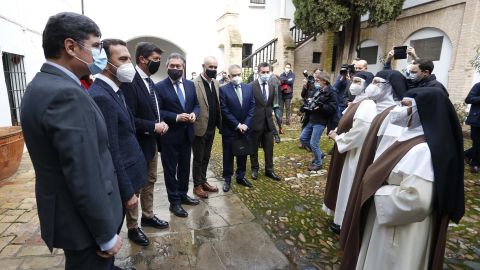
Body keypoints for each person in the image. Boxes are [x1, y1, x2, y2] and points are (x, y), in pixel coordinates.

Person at [20, 12, 123, 269]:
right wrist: (106, 235)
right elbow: (84, 171)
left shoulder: (42, 83)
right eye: (97, 46)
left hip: (71, 218)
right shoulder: (65, 93)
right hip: (85, 227)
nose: (100, 53)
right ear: (70, 46)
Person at [340, 88, 464, 270]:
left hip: (399, 230)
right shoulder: (410, 138)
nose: (398, 110)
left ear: (423, 112)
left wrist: (376, 190)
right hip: (389, 222)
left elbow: (417, 200)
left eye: (405, 105)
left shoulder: (422, 151)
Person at [88, 38, 147, 230]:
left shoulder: (117, 90)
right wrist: (127, 191)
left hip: (132, 173)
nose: (129, 64)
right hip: (121, 182)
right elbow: (111, 148)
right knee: (112, 229)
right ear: (105, 63)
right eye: (123, 59)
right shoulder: (101, 96)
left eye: (129, 59)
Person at [122, 42, 169, 246]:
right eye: (156, 60)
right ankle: (133, 227)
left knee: (150, 182)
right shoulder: (130, 82)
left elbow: (155, 109)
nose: (158, 63)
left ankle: (147, 216)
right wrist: (153, 126)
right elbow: (128, 118)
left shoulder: (150, 82)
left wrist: (161, 123)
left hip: (152, 144)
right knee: (136, 187)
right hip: (137, 145)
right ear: (142, 59)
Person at [323, 72, 376, 234]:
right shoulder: (357, 102)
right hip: (345, 150)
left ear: (367, 85)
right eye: (352, 81)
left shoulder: (367, 105)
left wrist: (339, 138)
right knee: (341, 183)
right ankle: (338, 216)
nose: (353, 84)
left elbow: (359, 131)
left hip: (353, 153)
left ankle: (344, 220)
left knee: (347, 185)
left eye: (358, 81)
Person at [156, 53, 200, 217]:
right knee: (170, 170)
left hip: (187, 134)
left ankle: (183, 194)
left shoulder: (190, 85)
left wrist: (195, 114)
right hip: (170, 136)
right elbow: (158, 111)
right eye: (172, 66)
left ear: (183, 67)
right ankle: (174, 202)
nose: (175, 68)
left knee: (184, 168)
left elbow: (196, 105)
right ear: (167, 67)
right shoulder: (159, 87)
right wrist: (175, 117)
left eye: (178, 66)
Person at [219, 64, 256, 192]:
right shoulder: (223, 90)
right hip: (230, 129)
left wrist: (246, 124)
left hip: (245, 128)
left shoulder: (248, 88)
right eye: (234, 75)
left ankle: (241, 176)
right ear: (229, 76)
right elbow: (224, 110)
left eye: (238, 74)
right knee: (228, 155)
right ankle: (227, 179)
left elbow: (252, 107)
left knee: (242, 153)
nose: (236, 77)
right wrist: (237, 125)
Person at [191, 56, 221, 199]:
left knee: (206, 156)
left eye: (215, 67)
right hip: (199, 127)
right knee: (198, 158)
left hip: (212, 127)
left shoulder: (216, 83)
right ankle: (197, 185)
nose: (213, 70)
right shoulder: (194, 84)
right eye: (210, 67)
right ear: (203, 66)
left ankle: (203, 181)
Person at [249, 62, 281, 181]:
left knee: (269, 148)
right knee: (253, 148)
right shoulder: (251, 86)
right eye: (263, 72)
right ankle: (254, 168)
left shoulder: (272, 86)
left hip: (268, 123)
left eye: (268, 72)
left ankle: (269, 170)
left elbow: (270, 106)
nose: (266, 74)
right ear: (259, 72)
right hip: (255, 123)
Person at [299, 72, 337, 171]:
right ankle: (319, 154)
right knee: (303, 138)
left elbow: (332, 108)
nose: (316, 82)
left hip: (321, 121)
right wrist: (305, 106)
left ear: (324, 81)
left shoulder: (332, 92)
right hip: (312, 119)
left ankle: (318, 163)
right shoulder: (318, 90)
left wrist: (320, 106)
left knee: (313, 143)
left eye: (317, 80)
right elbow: (310, 99)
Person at [465, 82, 480, 173]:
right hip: (477, 120)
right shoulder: (478, 86)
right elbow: (468, 99)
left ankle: (466, 154)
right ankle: (475, 164)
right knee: (477, 142)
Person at [269, 69, 282, 142]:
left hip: (274, 102)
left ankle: (278, 132)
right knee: (275, 118)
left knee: (276, 117)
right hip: (274, 102)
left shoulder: (273, 78)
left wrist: (275, 103)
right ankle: (277, 132)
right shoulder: (273, 78)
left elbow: (276, 92)